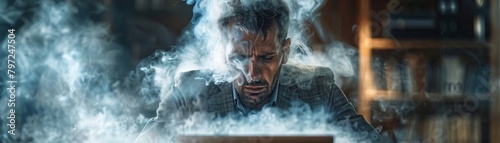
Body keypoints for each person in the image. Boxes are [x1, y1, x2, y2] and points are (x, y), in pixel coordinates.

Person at [135, 0, 384, 142]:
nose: (252, 73)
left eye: (266, 57)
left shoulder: (319, 88)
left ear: (285, 52)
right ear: (223, 51)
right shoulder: (191, 90)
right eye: (239, 58)